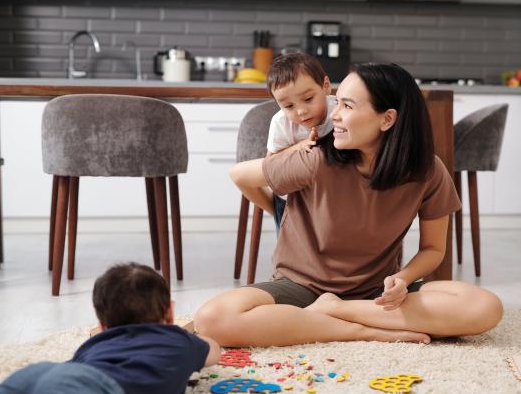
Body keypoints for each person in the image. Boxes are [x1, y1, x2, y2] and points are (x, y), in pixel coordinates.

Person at [194, 63, 503, 347]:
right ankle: (362, 330)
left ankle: (337, 312)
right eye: (337, 102)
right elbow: (240, 175)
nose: (334, 115)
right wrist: (279, 209)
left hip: (376, 293)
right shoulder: (315, 159)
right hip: (302, 288)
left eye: (347, 105)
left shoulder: (428, 172)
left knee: (484, 308)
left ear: (387, 119)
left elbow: (434, 249)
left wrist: (404, 278)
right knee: (212, 319)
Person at [0, 263, 220, 394]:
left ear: (101, 324)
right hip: (96, 389)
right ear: (170, 314)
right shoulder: (179, 340)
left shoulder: (96, 344)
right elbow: (214, 351)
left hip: (42, 372)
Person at [265, 52, 337, 229]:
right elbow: (270, 163)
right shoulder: (281, 122)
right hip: (293, 199)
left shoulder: (339, 110)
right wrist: (299, 147)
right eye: (289, 106)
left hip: (332, 196)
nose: (301, 111)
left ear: (326, 86)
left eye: (308, 99)